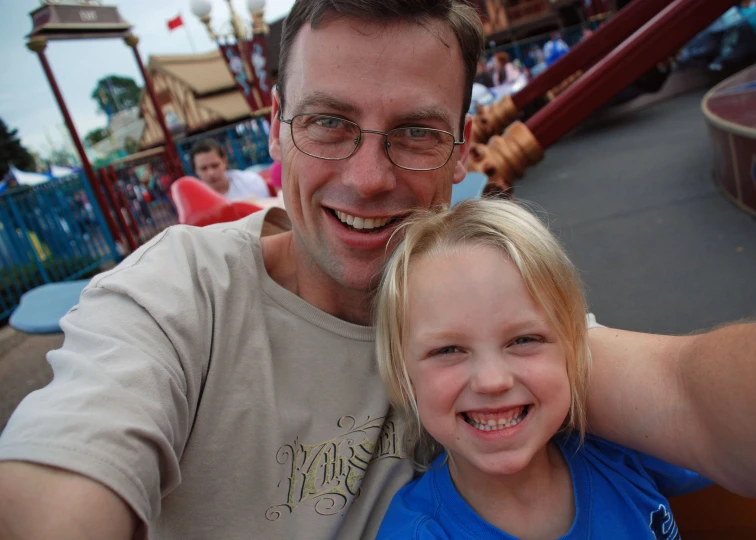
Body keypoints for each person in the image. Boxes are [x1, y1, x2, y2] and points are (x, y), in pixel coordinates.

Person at [0, 1, 755, 539]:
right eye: (328, 122)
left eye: (417, 132)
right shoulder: (179, 296)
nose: (366, 178)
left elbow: (683, 393)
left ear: (462, 147)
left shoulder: (482, 288)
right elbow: (67, 478)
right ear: (274, 128)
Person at [374, 199, 712, 539]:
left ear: (571, 349)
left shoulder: (625, 446)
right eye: (448, 350)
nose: (493, 380)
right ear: (404, 378)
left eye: (523, 340)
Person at [189, 139, 272, 200]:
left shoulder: (251, 181)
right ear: (195, 170)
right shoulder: (194, 199)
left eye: (215, 166)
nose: (211, 173)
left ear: (224, 161)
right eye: (203, 169)